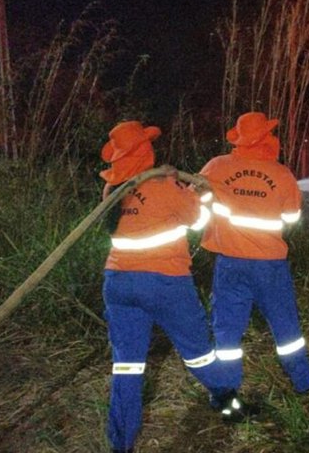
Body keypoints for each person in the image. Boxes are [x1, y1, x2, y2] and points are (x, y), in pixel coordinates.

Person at [99, 120, 253, 453]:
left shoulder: (112, 191)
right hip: (165, 283)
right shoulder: (165, 186)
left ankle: (120, 443)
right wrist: (196, 194)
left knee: (127, 365)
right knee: (197, 353)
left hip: (118, 284)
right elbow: (197, 222)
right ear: (145, 149)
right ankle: (226, 397)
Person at [198, 112, 309, 396]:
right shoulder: (282, 174)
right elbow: (290, 220)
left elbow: (195, 200)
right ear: (267, 138)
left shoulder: (216, 167)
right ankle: (304, 382)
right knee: (285, 325)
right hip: (270, 266)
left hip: (229, 263)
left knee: (227, 331)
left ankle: (226, 394)